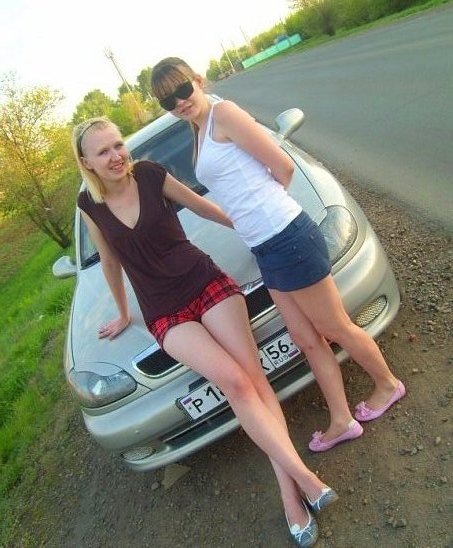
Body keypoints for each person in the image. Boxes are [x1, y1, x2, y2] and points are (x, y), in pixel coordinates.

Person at [72, 116, 339, 547]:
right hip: (164, 312)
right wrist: (122, 313)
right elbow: (109, 260)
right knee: (235, 382)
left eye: (118, 145)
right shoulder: (90, 205)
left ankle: (291, 493)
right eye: (103, 151)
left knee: (254, 381)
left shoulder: (151, 174)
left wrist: (257, 228)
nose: (116, 155)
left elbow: (200, 207)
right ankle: (306, 477)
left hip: (205, 282)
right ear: (86, 162)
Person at [150, 57, 406, 454]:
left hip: (286, 236)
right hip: (266, 248)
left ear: (198, 81)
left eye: (183, 90)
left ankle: (387, 385)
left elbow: (282, 166)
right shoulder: (198, 131)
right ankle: (342, 420)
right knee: (306, 339)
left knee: (335, 327)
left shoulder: (224, 114)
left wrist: (268, 207)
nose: (180, 102)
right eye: (169, 100)